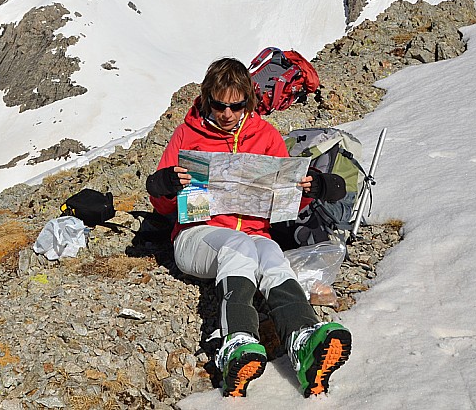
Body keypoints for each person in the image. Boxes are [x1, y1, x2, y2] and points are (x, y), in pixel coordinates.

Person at [146, 58, 350, 398]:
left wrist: (307, 190)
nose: (227, 114)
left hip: (255, 234)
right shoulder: (187, 134)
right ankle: (236, 341)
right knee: (238, 246)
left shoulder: (266, 136)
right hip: (196, 236)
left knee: (272, 255)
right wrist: (164, 185)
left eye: (236, 106)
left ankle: (302, 337)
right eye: (219, 105)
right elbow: (163, 204)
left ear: (248, 102)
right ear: (207, 100)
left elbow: (283, 204)